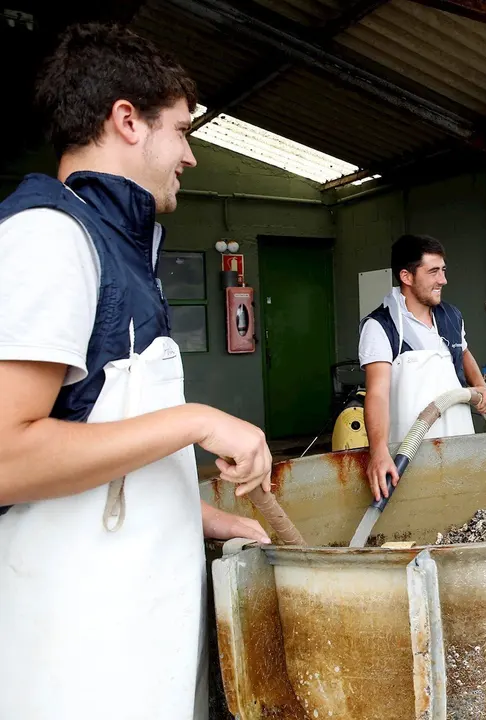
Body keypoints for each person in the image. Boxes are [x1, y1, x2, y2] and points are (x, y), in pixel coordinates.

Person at [0, 24, 272, 720]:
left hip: (134, 640)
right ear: (127, 120)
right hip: (81, 656)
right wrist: (199, 420)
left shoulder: (118, 250)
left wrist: (198, 515)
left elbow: (95, 429)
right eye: (181, 130)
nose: (190, 155)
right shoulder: (49, 238)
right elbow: (7, 454)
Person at [359, 234, 486, 501]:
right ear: (406, 277)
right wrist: (378, 451)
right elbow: (376, 393)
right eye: (433, 271)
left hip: (459, 439)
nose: (442, 280)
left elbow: (463, 351)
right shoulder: (381, 326)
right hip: (411, 449)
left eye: (443, 270)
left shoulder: (451, 315)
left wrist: (480, 386)